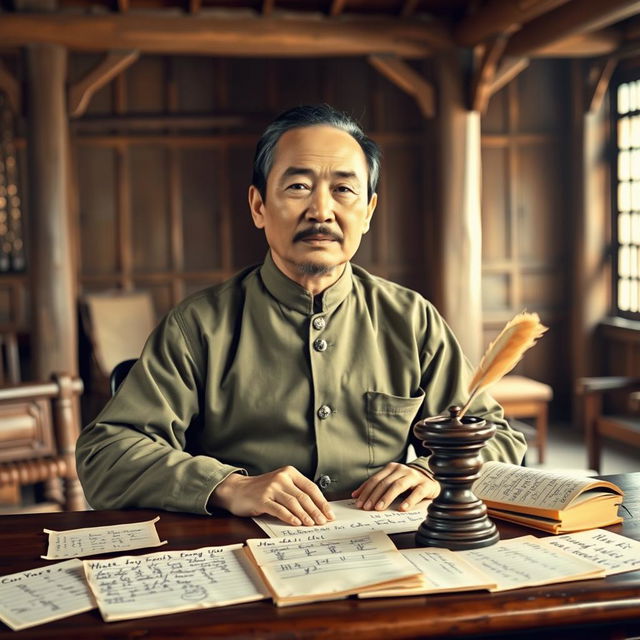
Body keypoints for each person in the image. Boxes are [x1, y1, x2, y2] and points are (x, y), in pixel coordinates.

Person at [76, 104, 526, 527]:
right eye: (298, 186)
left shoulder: (411, 320)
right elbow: (106, 454)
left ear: (368, 212)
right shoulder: (198, 326)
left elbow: (501, 439)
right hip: (239, 549)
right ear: (259, 206)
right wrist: (228, 486)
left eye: (344, 190)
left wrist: (431, 473)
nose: (321, 211)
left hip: (381, 545)